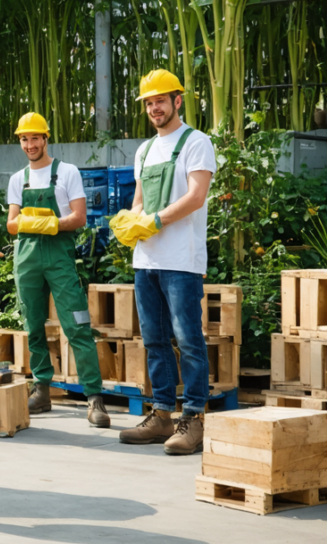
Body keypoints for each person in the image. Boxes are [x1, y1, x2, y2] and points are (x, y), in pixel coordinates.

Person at [113, 69, 216, 455]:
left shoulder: (196, 142)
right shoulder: (144, 150)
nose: (154, 107)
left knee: (188, 339)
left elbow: (196, 196)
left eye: (161, 100)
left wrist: (155, 220)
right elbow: (140, 200)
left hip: (182, 261)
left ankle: (193, 418)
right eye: (149, 102)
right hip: (147, 259)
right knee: (154, 339)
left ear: (177, 100)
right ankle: (161, 414)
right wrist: (131, 220)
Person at [6, 112, 109, 428]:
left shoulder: (66, 172)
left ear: (45, 138)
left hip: (59, 256)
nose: (29, 144)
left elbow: (79, 217)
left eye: (35, 138)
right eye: (24, 138)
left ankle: (94, 398)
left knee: (77, 324)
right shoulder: (17, 179)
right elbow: (11, 224)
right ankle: (42, 390)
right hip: (26, 259)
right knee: (33, 326)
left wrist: (50, 223)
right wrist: (29, 223)